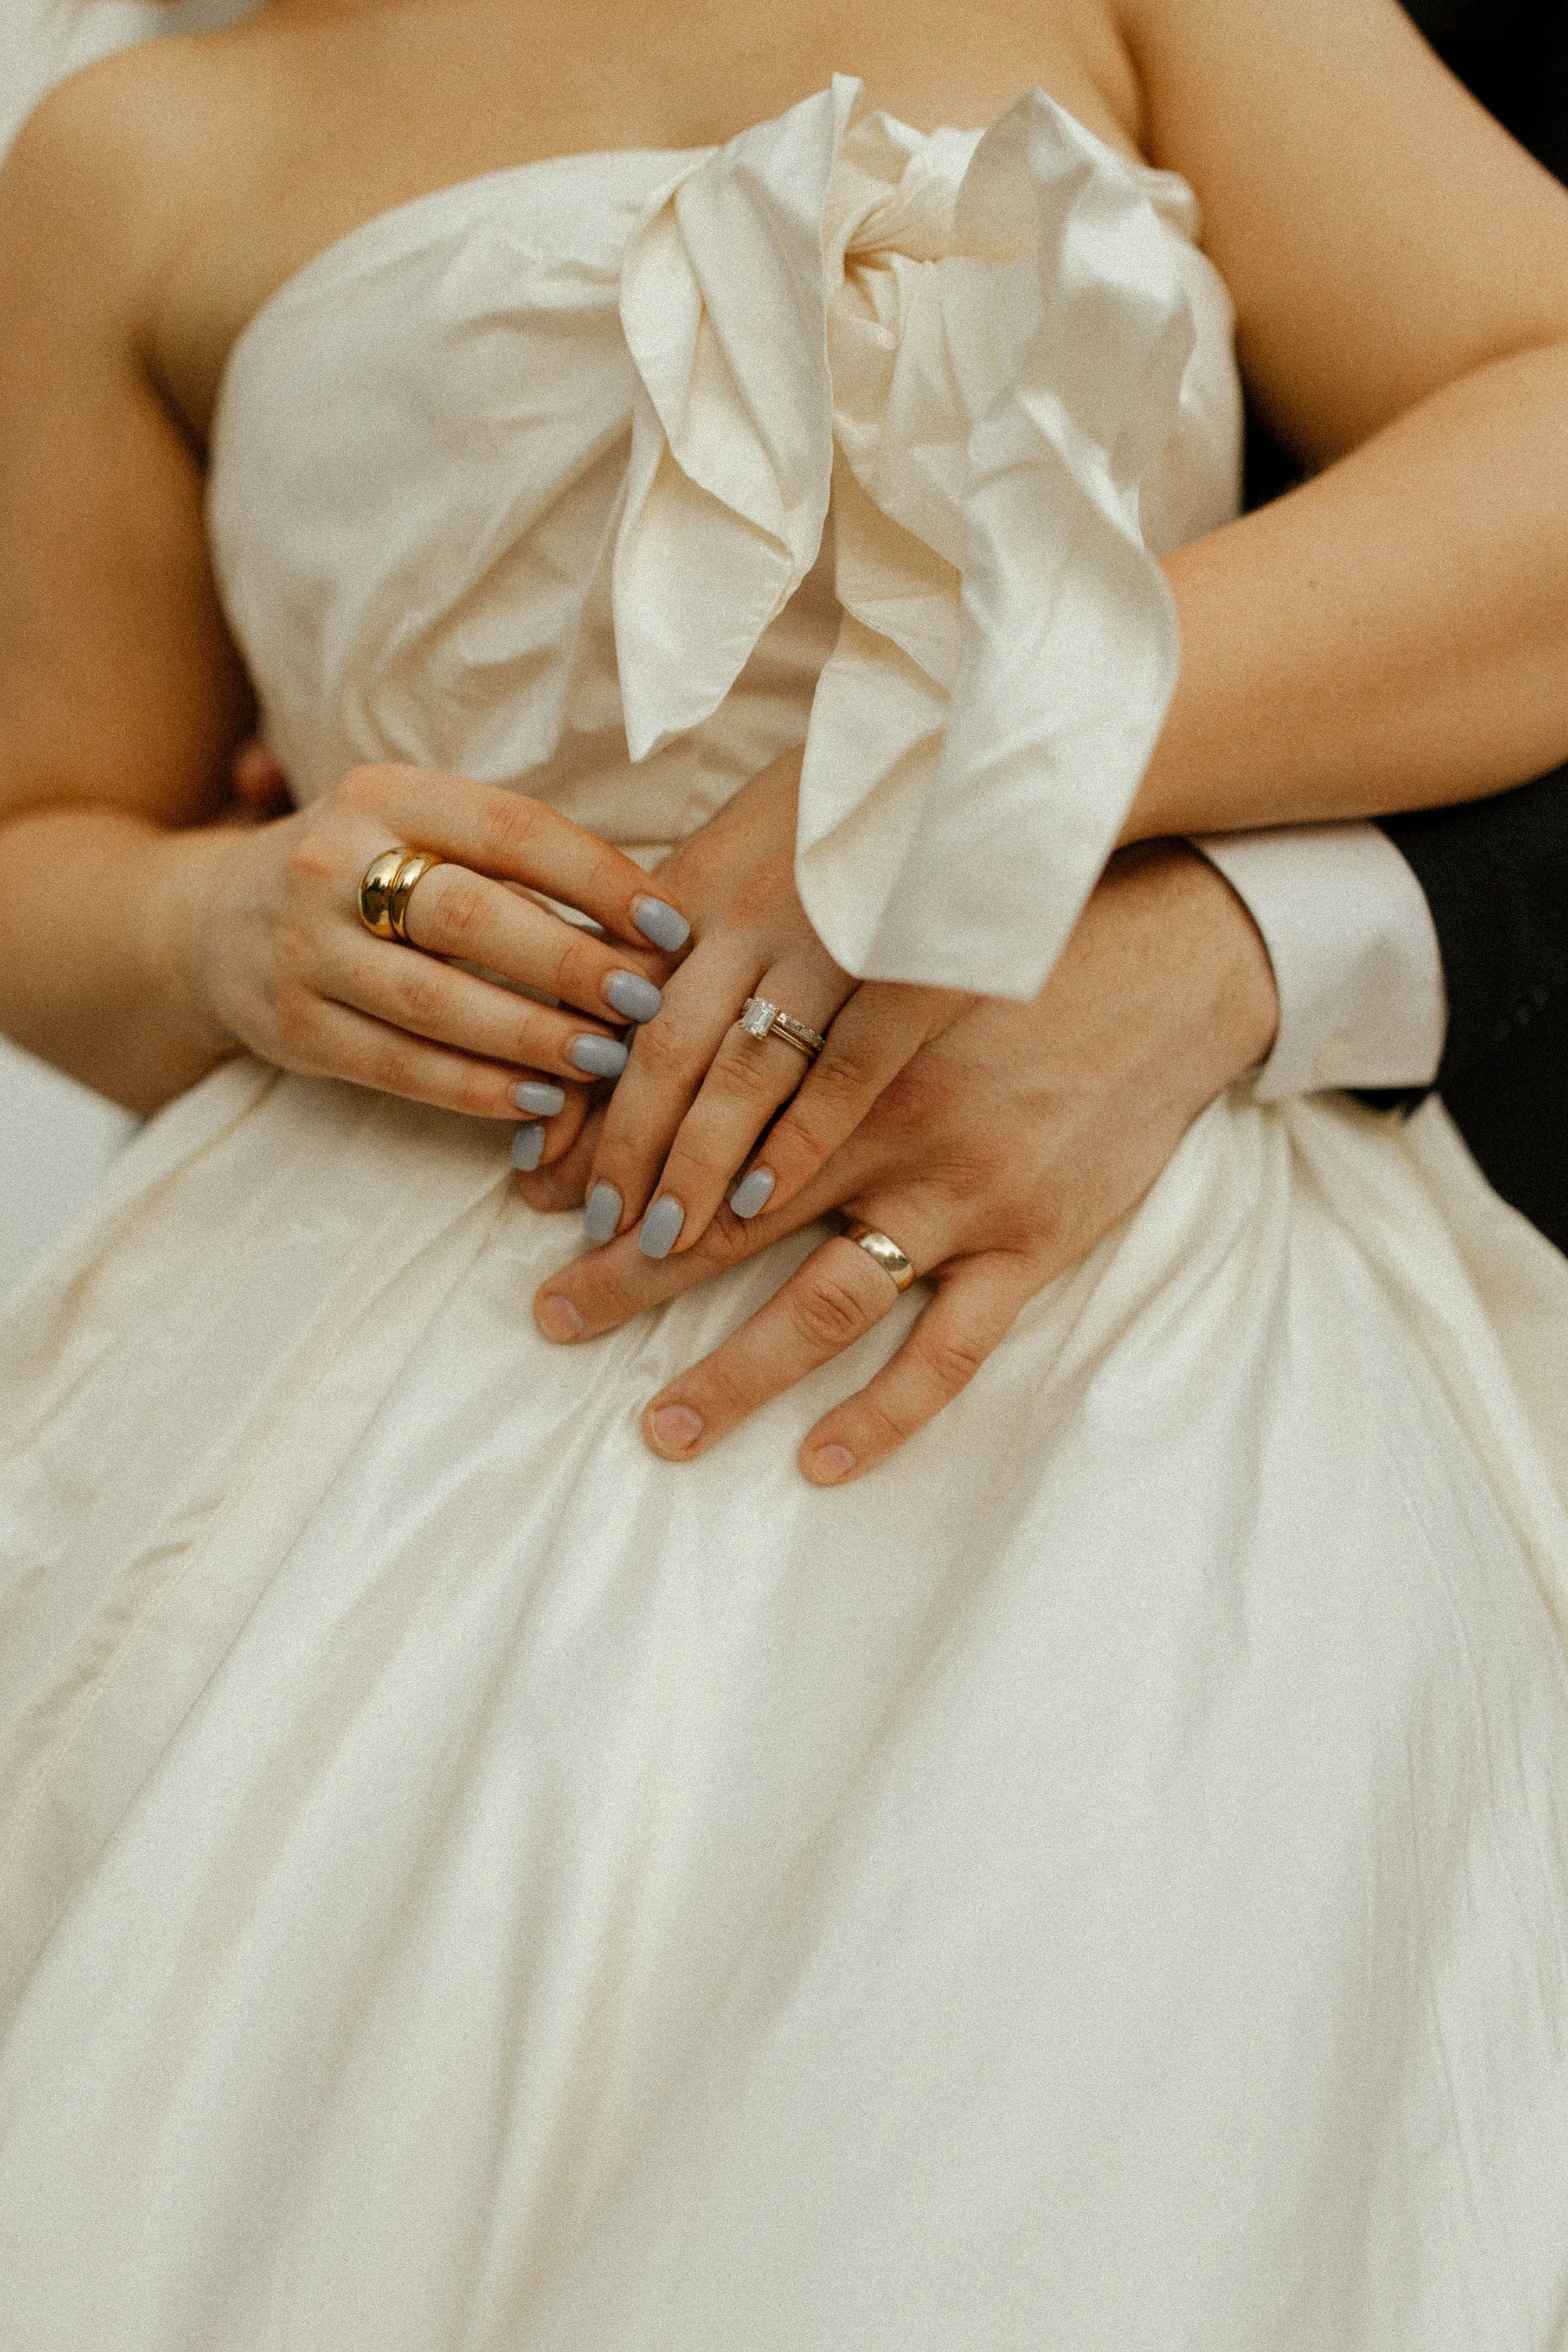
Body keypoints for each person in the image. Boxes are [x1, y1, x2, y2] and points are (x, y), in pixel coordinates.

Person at [1, 0, 1567, 2341]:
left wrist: (980, 760)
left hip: (1129, 1332)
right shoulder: (134, 149)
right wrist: (220, 927)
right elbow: (44, 841)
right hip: (375, 1357)